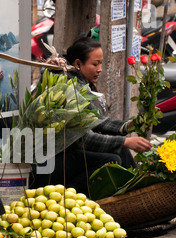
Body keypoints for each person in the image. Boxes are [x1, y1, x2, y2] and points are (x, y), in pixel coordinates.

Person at [29, 36, 153, 196]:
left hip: (69, 154)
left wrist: (127, 126)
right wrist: (125, 141)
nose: (100, 69)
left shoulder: (80, 84)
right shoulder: (65, 87)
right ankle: (69, 198)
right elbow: (82, 138)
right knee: (110, 160)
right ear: (78, 64)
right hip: (48, 163)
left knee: (122, 152)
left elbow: (94, 122)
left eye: (100, 63)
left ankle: (138, 193)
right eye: (95, 64)